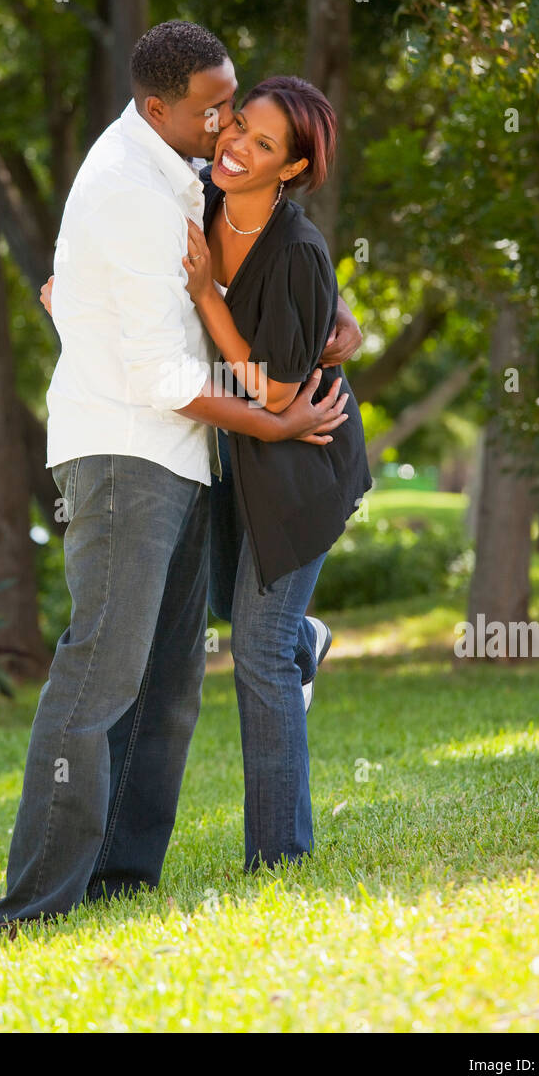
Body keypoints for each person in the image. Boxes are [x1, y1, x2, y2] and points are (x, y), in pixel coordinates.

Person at [0, 23, 358, 931]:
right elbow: (161, 375)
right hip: (126, 451)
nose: (228, 125)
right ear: (161, 110)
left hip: (182, 454)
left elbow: (276, 242)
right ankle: (36, 904)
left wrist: (338, 314)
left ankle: (122, 878)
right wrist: (275, 414)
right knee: (99, 677)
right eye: (216, 110)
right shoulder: (130, 189)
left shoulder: (177, 171)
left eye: (238, 108)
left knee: (168, 684)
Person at [181, 74, 373, 872]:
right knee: (242, 611)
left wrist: (204, 295)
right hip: (243, 450)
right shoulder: (195, 193)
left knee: (254, 650)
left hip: (305, 453)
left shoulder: (295, 249)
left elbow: (279, 389)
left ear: (291, 169)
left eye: (264, 145)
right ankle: (309, 635)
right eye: (240, 127)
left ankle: (279, 856)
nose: (238, 147)